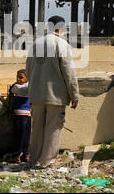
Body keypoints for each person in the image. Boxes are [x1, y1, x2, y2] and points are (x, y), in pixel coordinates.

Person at [26, 15, 80, 169]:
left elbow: (28, 69)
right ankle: (46, 162)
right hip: (55, 95)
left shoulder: (35, 44)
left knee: (36, 128)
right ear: (62, 27)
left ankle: (32, 160)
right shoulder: (62, 44)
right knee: (53, 128)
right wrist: (74, 95)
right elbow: (69, 73)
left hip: (36, 94)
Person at [7, 69, 31, 163]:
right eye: (17, 77)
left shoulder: (17, 87)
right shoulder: (30, 87)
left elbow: (12, 89)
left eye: (21, 77)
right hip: (28, 114)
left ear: (27, 78)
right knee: (26, 136)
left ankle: (16, 155)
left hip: (20, 114)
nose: (18, 79)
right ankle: (26, 154)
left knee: (19, 136)